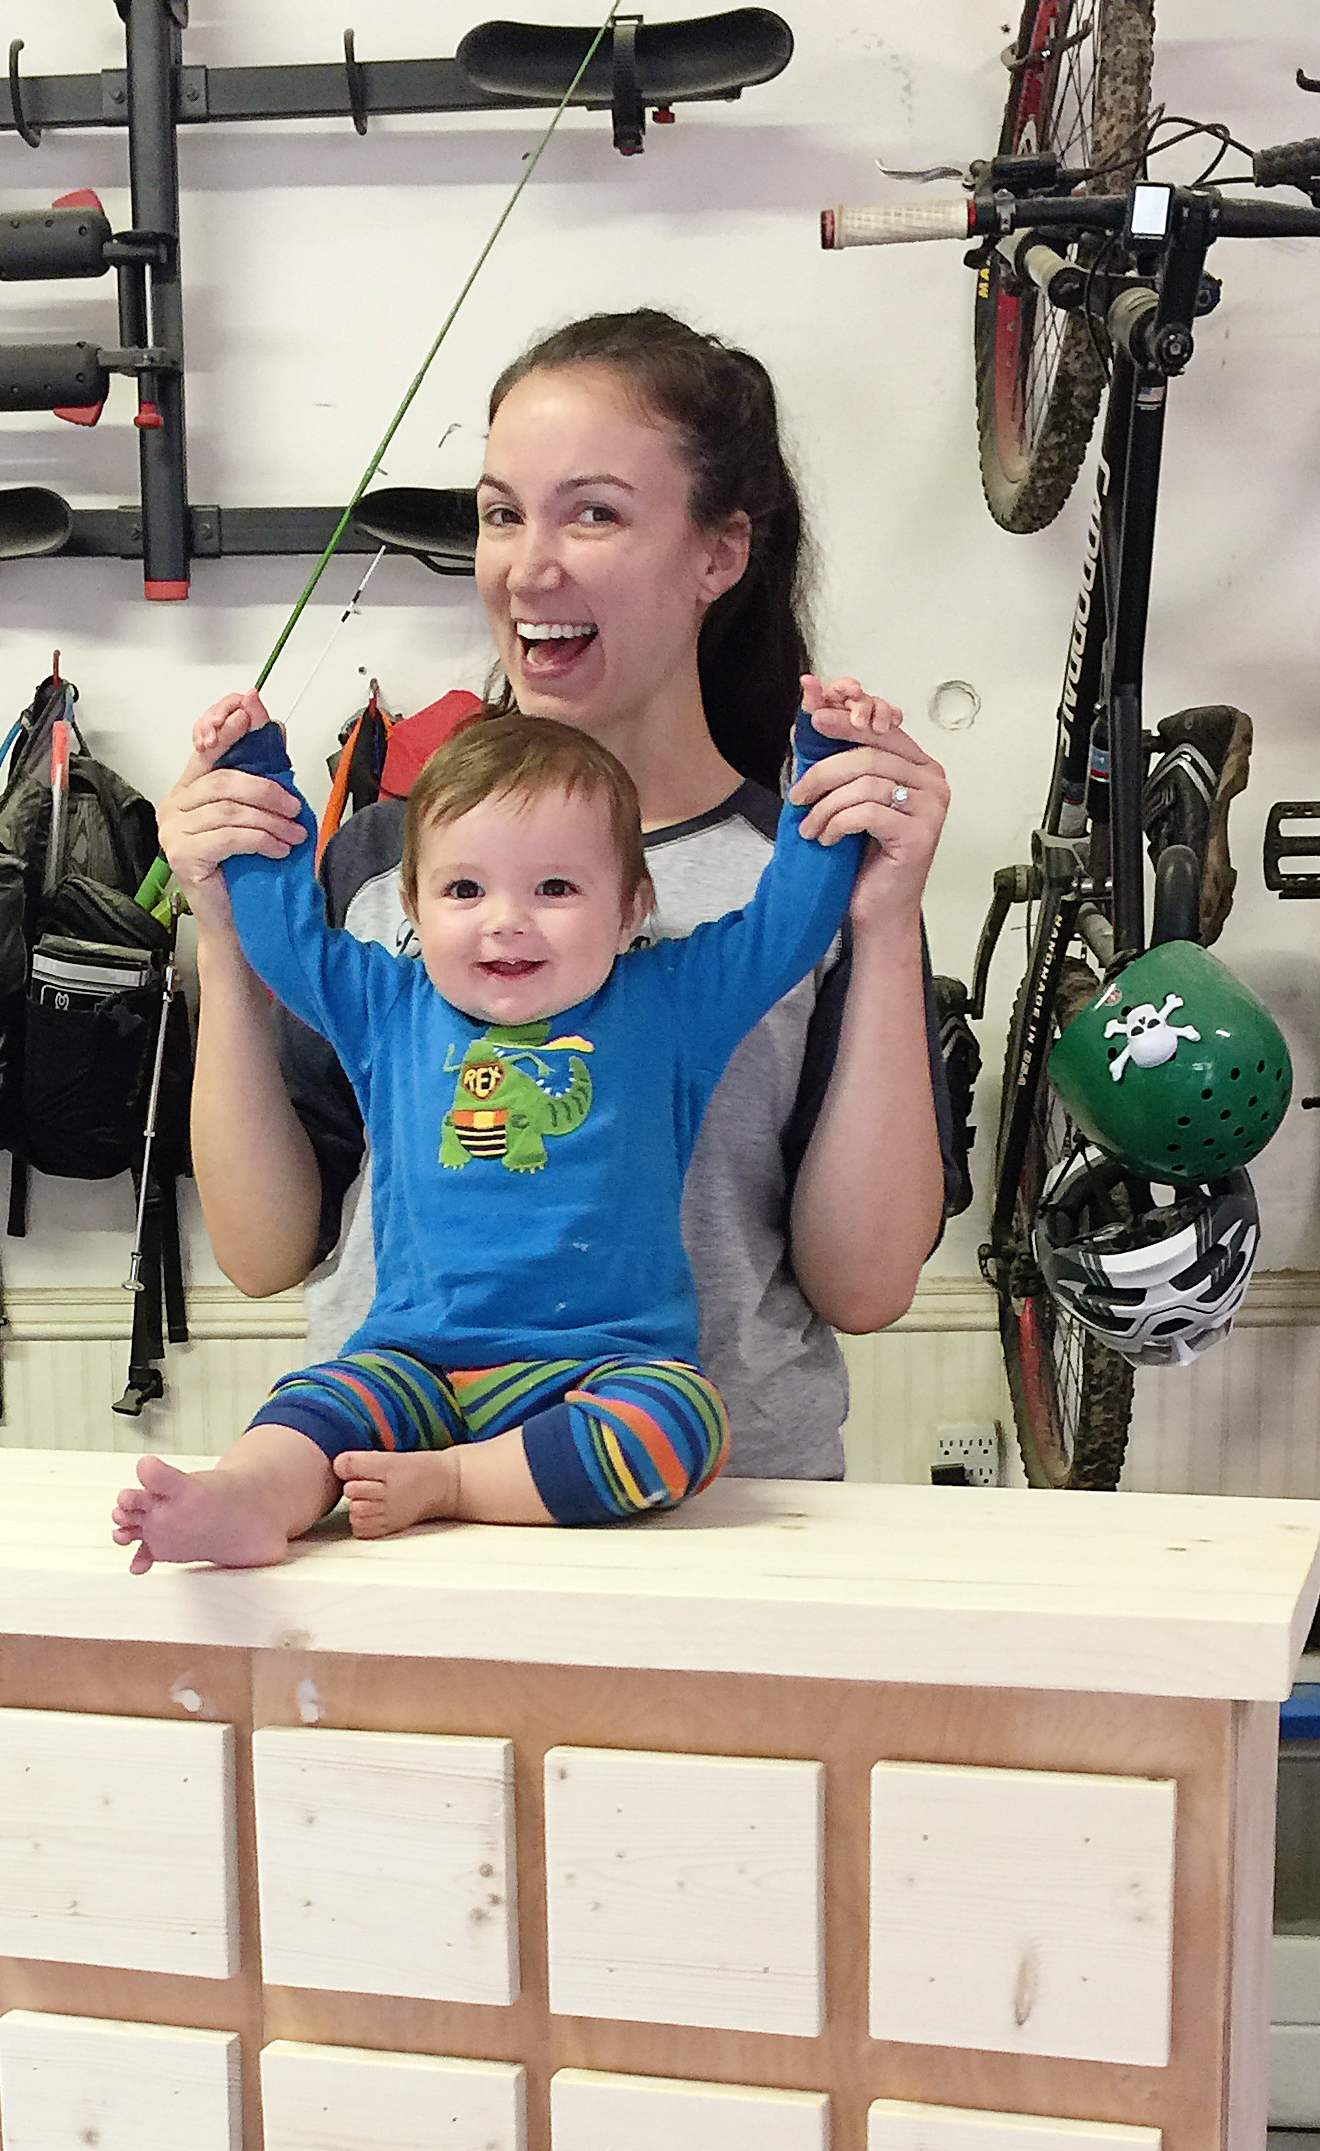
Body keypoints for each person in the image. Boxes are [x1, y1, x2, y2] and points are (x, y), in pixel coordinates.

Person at [153, 306, 958, 1489]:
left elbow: (866, 1285)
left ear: (719, 554)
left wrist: (883, 928)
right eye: (499, 513)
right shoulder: (382, 866)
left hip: (715, 1509)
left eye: (593, 512)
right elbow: (266, 1252)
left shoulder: (803, 877)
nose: (528, 566)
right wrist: (221, 933)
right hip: (391, 1494)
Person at [116, 681, 909, 1572]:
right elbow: (282, 936)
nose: (507, 920)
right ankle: (248, 1498)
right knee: (310, 1409)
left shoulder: (673, 999)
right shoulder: (387, 1002)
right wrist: (251, 777)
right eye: (463, 888)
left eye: (556, 887)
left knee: (679, 1430)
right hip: (411, 1361)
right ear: (411, 911)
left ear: (630, 908)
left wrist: (826, 759)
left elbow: (788, 926)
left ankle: (450, 1481)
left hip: (604, 1368)